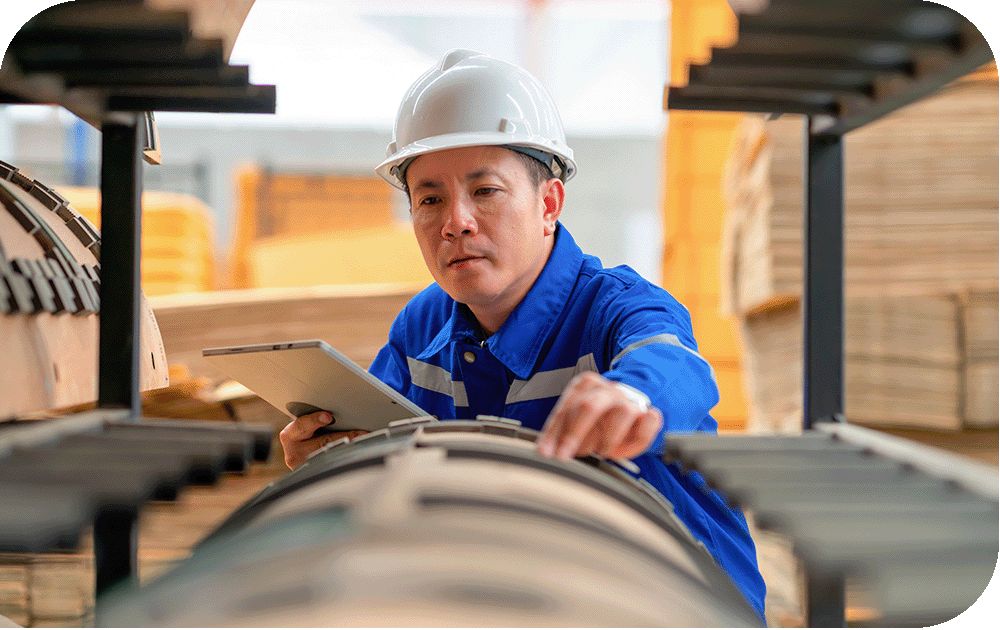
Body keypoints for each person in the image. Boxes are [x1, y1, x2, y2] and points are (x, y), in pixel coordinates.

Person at [278, 49, 766, 619]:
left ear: (549, 203)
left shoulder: (617, 308)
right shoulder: (422, 326)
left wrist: (630, 397)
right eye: (429, 199)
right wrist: (329, 456)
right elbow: (379, 449)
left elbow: (674, 369)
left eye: (485, 191)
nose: (455, 221)